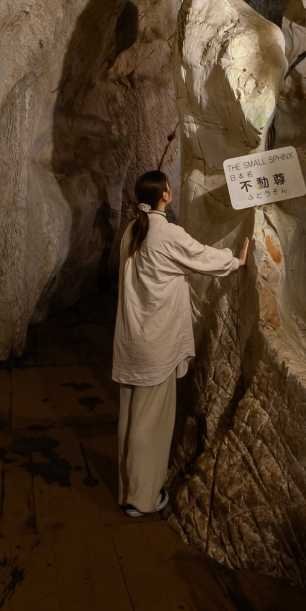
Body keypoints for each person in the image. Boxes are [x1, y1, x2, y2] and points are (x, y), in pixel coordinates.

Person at [112, 169, 249, 517]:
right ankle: (141, 500)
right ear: (166, 195)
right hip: (155, 347)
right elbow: (201, 255)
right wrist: (236, 260)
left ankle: (128, 489)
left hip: (131, 342)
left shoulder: (132, 231)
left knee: (130, 419)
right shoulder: (166, 233)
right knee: (150, 425)